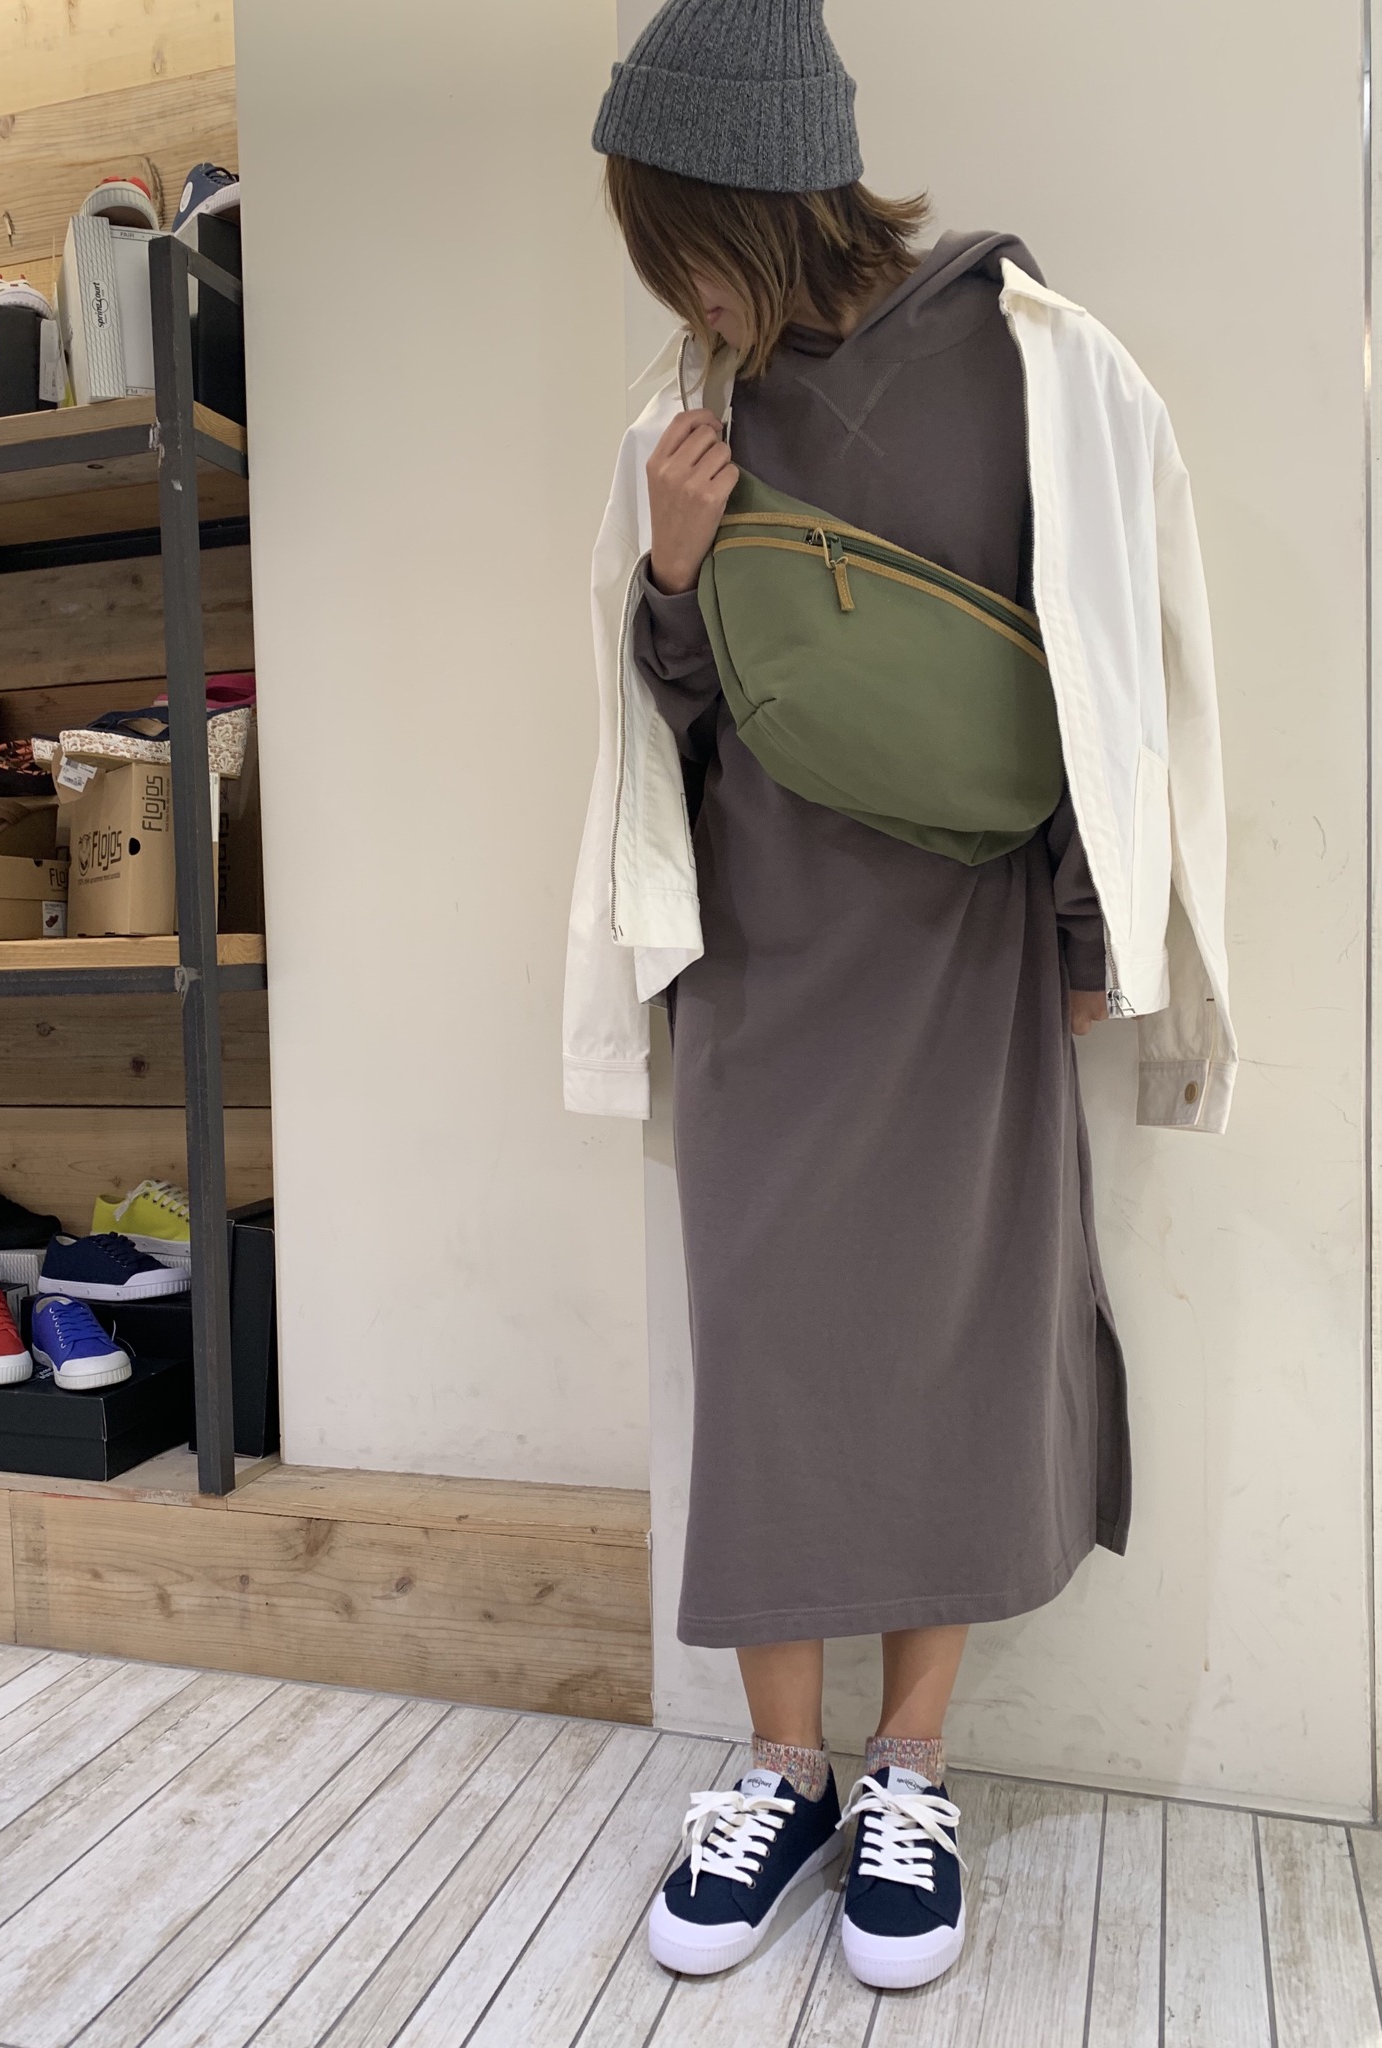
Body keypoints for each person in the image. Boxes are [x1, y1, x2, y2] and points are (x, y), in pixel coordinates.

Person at [564, 0, 1235, 1994]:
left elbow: (1107, 676)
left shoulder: (1031, 360)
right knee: (766, 1350)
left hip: (965, 954)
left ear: (766, 197)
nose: (674, 289)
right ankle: (783, 1770)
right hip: (760, 956)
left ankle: (910, 1772)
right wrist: (673, 576)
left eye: (682, 240)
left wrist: (1096, 934)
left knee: (953, 1338)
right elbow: (673, 725)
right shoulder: (692, 413)